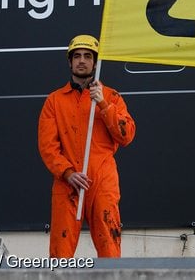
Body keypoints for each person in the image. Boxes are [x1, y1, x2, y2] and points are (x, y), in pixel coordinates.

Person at [38, 34, 136, 258]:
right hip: (67, 182)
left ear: (95, 62)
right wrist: (67, 173)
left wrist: (102, 103)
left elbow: (126, 135)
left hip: (102, 180)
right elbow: (47, 146)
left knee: (109, 246)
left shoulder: (112, 96)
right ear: (70, 62)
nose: (82, 60)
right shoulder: (54, 101)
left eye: (88, 56)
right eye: (77, 56)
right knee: (60, 253)